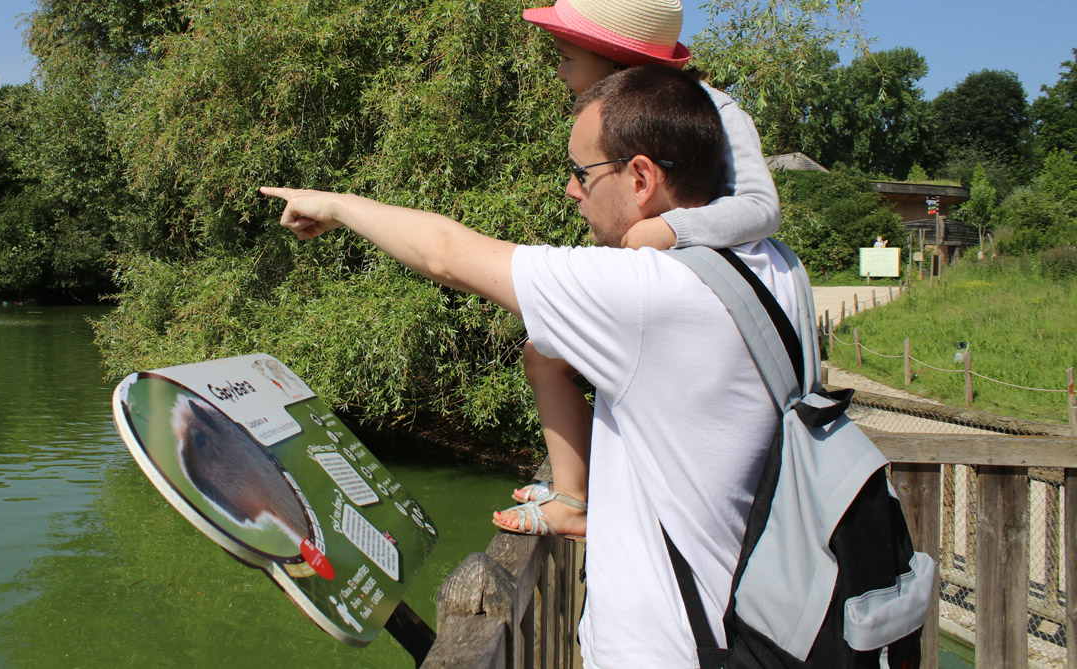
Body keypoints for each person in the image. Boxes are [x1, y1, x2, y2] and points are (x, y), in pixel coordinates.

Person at [262, 63, 800, 665]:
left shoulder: (650, 290)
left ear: (641, 177)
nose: (571, 190)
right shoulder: (777, 269)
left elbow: (447, 254)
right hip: (754, 626)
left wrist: (334, 204)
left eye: (582, 172)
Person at [492, 0, 780, 538]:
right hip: (656, 283)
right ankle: (577, 492)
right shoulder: (621, 114)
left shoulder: (713, 110)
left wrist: (672, 229)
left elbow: (761, 207)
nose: (558, 70)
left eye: (567, 57)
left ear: (615, 61)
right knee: (543, 353)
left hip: (698, 294)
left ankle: (581, 499)